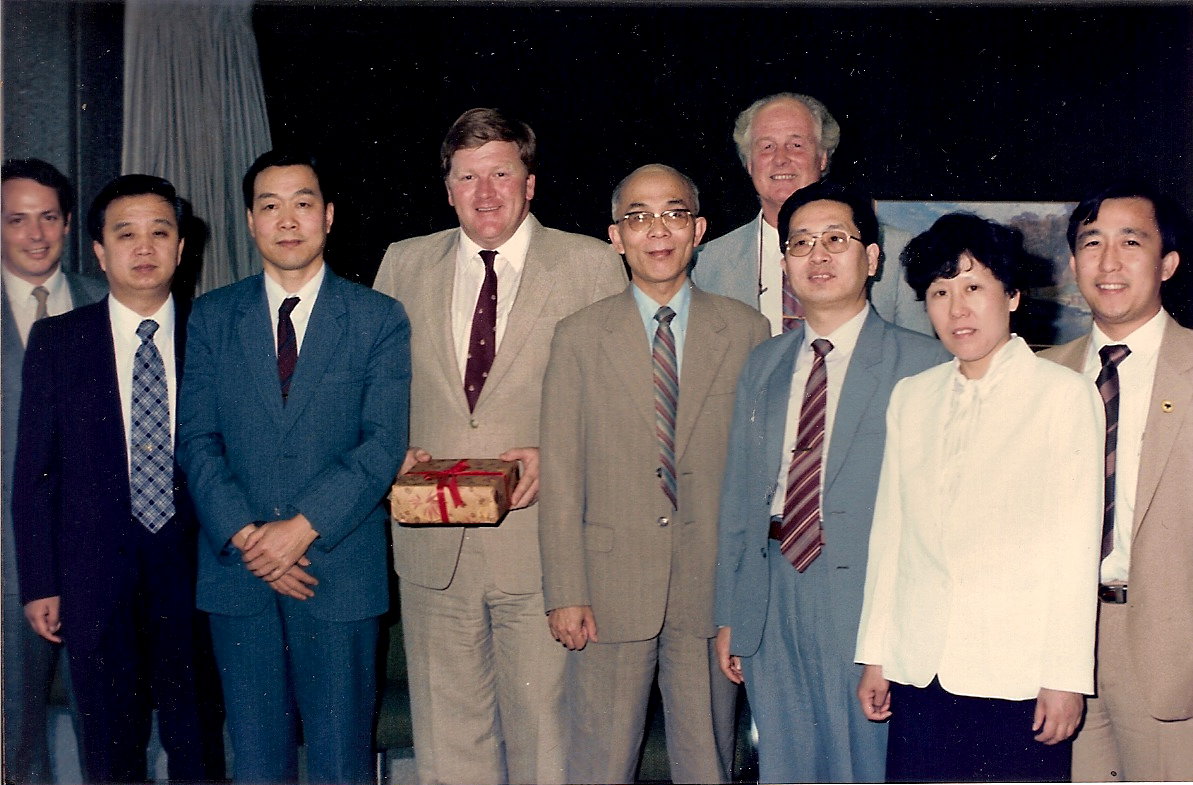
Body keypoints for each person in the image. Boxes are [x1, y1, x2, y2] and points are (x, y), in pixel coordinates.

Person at [372, 108, 626, 785]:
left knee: (549, 750)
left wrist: (558, 455)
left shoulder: (592, 265)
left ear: (530, 183)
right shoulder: (402, 263)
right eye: (467, 177)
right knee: (448, 752)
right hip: (433, 555)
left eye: (501, 174)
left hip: (544, 553)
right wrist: (387, 451)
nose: (485, 193)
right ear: (447, 187)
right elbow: (371, 390)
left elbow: (622, 408)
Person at [177, 150, 411, 784]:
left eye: (303, 203)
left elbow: (382, 442)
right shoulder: (212, 316)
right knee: (254, 760)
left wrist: (300, 528)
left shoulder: (376, 318)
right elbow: (196, 439)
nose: (287, 220)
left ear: (328, 217)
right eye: (270, 206)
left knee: (341, 762)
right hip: (239, 574)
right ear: (250, 221)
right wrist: (250, 537)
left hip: (337, 570)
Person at [538, 164, 768, 784]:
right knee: (601, 762)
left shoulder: (748, 332)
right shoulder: (579, 336)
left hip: (708, 590)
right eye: (637, 217)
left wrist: (741, 598)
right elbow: (560, 473)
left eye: (672, 214)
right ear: (616, 236)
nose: (655, 230)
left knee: (706, 761)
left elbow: (754, 483)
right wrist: (565, 590)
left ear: (698, 230)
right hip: (608, 592)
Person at [855, 212, 1102, 782]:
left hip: (1014, 675)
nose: (957, 308)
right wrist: (876, 654)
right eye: (940, 292)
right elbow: (891, 535)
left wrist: (1065, 677)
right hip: (920, 668)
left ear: (1012, 296)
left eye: (973, 287)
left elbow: (1074, 547)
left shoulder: (1061, 396)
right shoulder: (911, 398)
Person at [714, 181, 946, 782]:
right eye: (800, 243)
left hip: (868, 601)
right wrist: (730, 614)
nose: (817, 255)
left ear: (871, 258)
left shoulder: (923, 363)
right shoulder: (764, 363)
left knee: (865, 767)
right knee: (786, 767)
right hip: (772, 590)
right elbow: (739, 497)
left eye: (836, 240)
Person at [12, 174, 225, 782]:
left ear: (181, 248)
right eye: (124, 234)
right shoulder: (58, 341)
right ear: (100, 252)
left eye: (160, 232)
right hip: (93, 577)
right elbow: (35, 474)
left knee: (198, 743)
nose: (144, 247)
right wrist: (40, 581)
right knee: (108, 744)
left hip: (198, 572)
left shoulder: (213, 335)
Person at [1040, 183, 1193, 781]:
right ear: (1073, 263)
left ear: (1168, 263)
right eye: (1091, 243)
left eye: (1131, 242)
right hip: (1061, 648)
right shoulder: (1041, 374)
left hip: (1170, 647)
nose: (1108, 262)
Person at [1, 157, 105, 784]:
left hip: (97, 565)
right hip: (6, 567)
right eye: (17, 220)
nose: (35, 235)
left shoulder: (108, 302)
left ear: (68, 224)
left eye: (48, 218)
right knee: (13, 744)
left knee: (110, 732)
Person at [691, 92, 931, 336]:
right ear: (749, 163)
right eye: (766, 147)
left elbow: (921, 361)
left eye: (796, 145)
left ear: (823, 157)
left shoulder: (896, 251)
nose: (780, 159)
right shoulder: (707, 264)